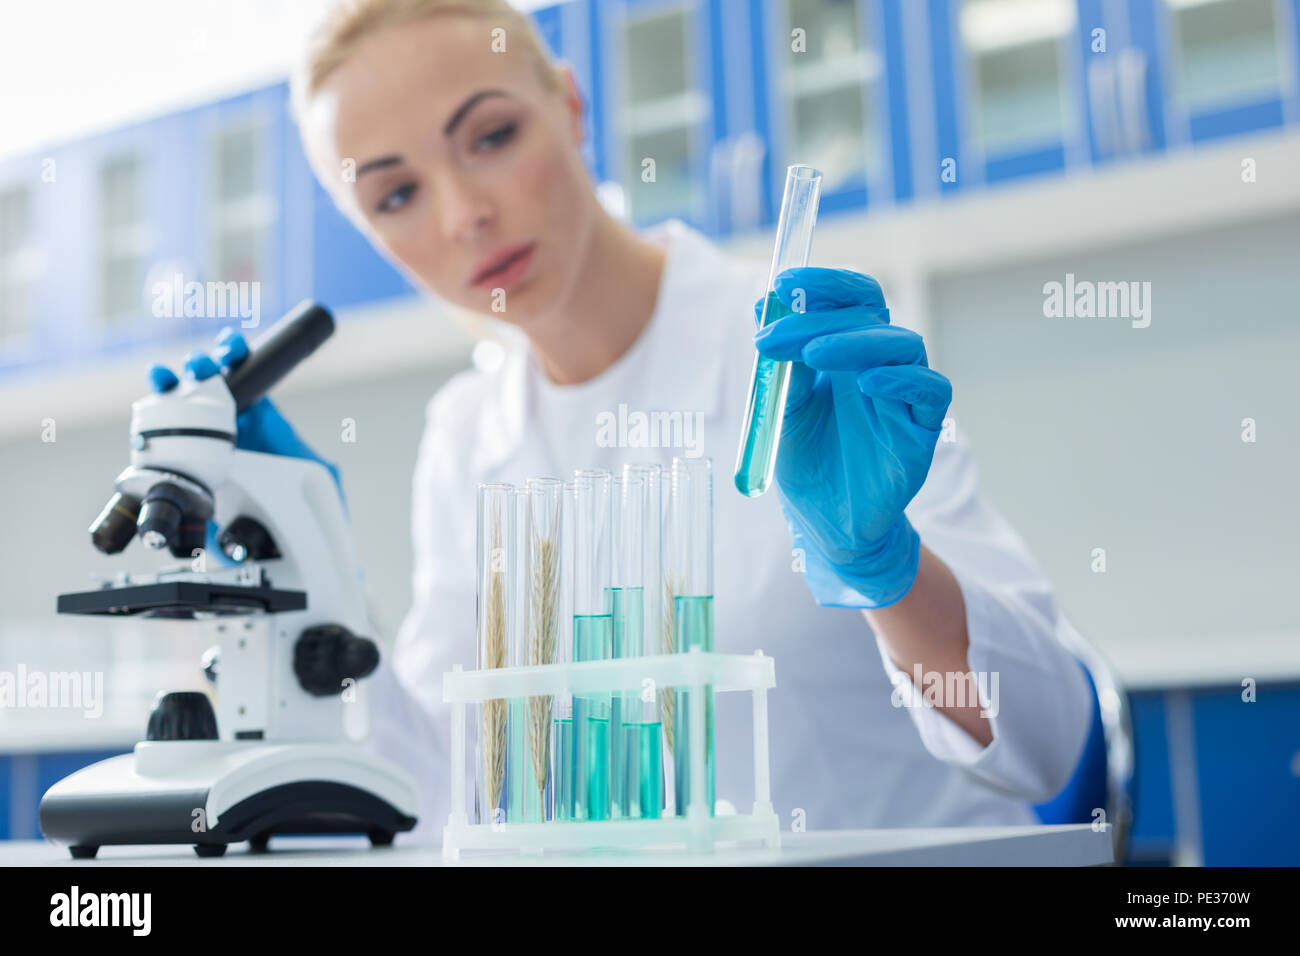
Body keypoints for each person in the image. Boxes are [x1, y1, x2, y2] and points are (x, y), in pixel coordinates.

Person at [156, 0, 1092, 844]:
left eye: (490, 136)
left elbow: (1045, 746)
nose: (466, 213)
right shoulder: (465, 436)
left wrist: (884, 570)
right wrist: (307, 556)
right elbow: (447, 790)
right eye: (396, 195)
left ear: (568, 108)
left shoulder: (801, 359)